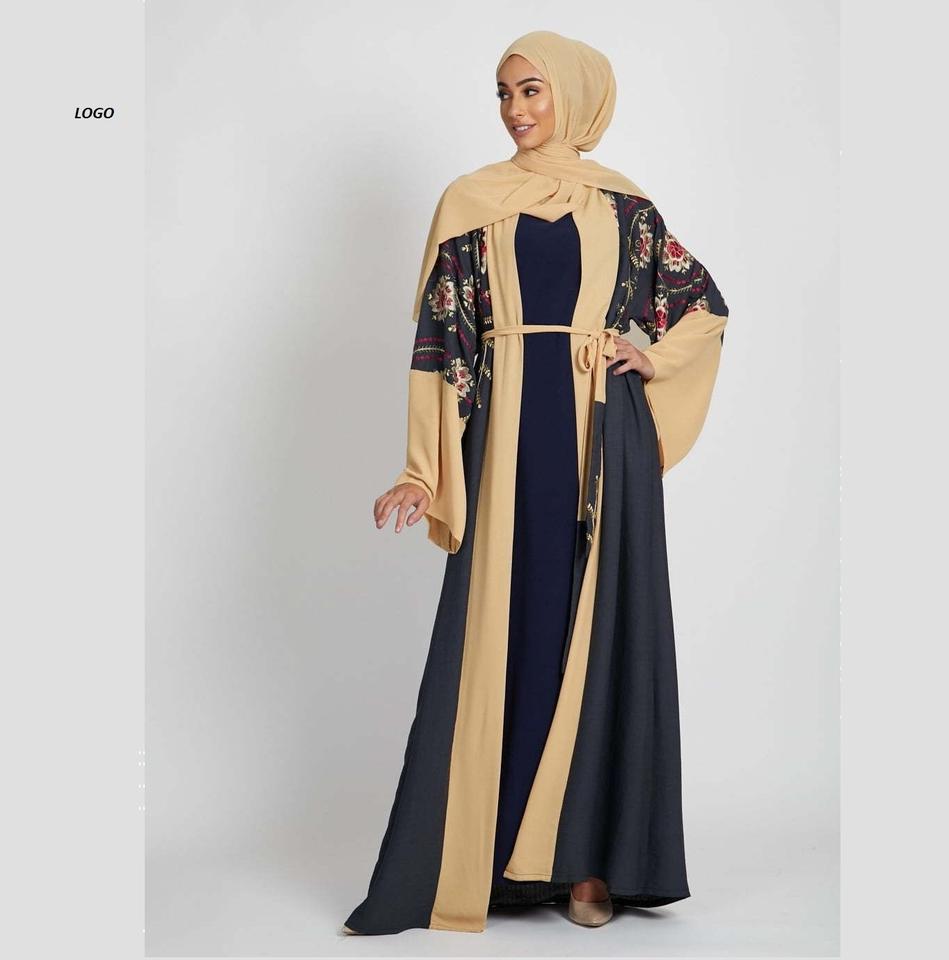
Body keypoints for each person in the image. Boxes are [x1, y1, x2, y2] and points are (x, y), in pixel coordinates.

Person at [343, 29, 729, 936]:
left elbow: (702, 307)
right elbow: (442, 343)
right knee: (513, 628)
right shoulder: (471, 205)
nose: (515, 110)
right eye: (504, 93)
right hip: (510, 437)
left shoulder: (625, 210)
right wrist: (422, 467)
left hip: (604, 441)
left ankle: (590, 863)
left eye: (532, 91)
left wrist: (649, 353)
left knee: (600, 634)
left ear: (575, 96)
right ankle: (496, 858)